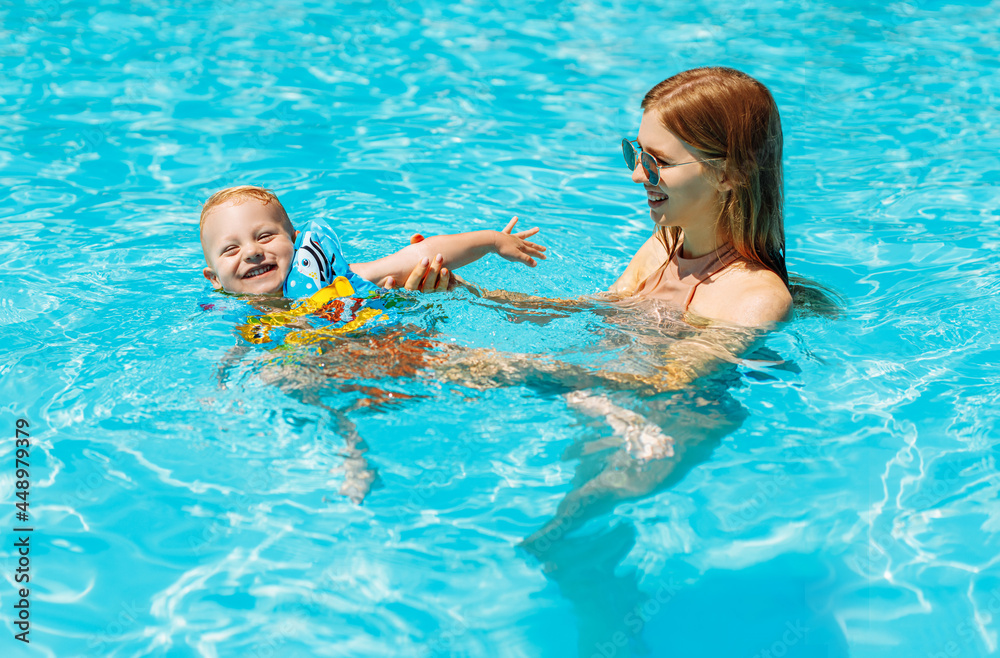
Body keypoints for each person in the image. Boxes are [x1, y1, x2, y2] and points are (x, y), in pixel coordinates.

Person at [199, 185, 544, 298]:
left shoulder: (336, 279)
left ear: (294, 240)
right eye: (231, 249)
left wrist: (492, 240)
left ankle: (585, 308)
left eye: (265, 236)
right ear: (214, 278)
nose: (253, 252)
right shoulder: (231, 318)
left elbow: (420, 253)